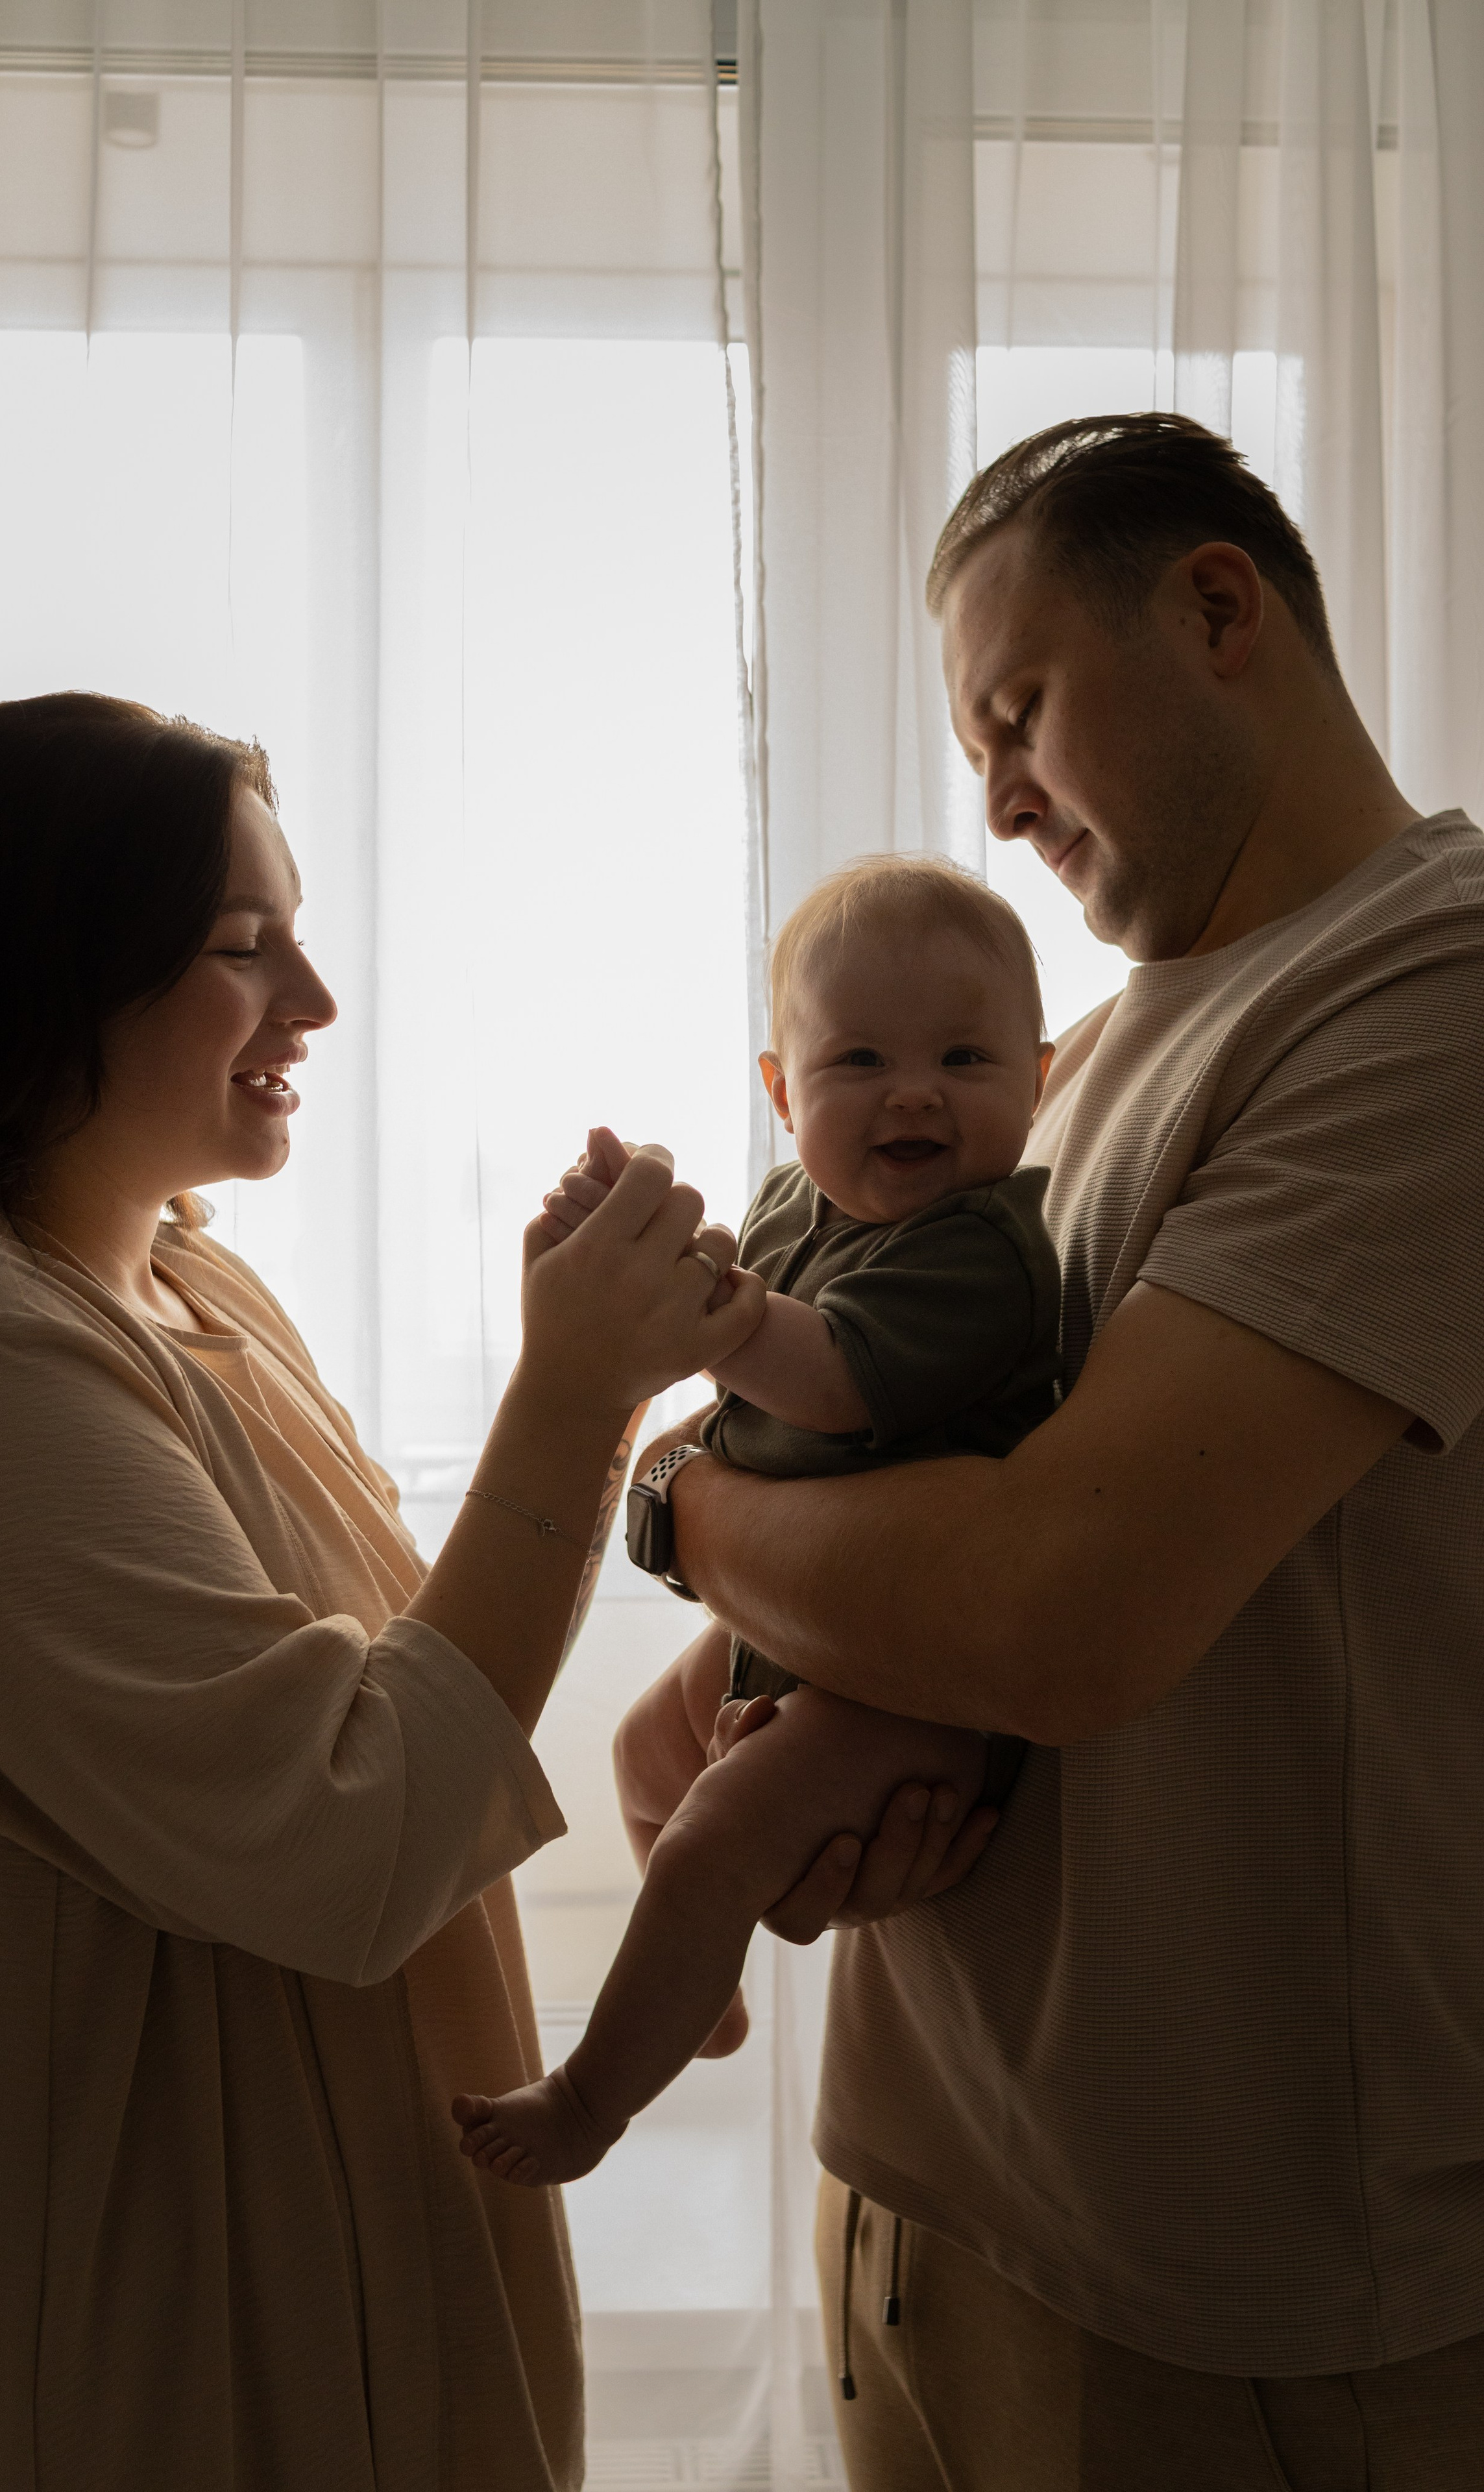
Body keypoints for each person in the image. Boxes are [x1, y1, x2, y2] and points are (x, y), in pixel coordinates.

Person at [0, 690, 818, 2492]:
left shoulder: (191, 1295)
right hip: (150, 2361)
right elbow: (356, 1826)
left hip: (343, 2257)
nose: (316, 1004)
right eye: (242, 947)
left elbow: (400, 1670)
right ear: (49, 972)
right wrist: (573, 1398)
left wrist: (597, 1405)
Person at [631, 415, 1484, 2487]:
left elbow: (1052, 1614)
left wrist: (678, 1503)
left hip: (1230, 2283)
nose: (998, 803)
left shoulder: (1420, 988)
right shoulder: (1071, 1056)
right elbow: (894, 1461)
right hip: (930, 2187)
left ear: (1216, 612)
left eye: (1018, 714)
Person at [453, 855, 1057, 2189]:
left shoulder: (982, 1248)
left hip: (917, 1681)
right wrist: (620, 1238)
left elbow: (831, 1381)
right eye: (855, 1062)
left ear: (1040, 1076)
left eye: (963, 1056)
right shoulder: (799, 1200)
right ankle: (700, 1994)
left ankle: (590, 2101)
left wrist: (697, 1314)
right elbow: (725, 1314)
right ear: (783, 1095)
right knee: (640, 1759)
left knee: (716, 1838)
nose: (911, 1091)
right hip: (797, 1625)